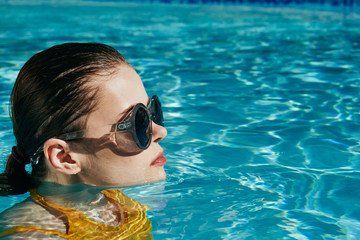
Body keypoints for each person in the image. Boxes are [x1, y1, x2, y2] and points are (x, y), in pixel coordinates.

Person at [0, 42, 168, 238]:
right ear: (65, 158)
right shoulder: (34, 233)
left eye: (152, 111)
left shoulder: (118, 203)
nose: (160, 130)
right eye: (137, 122)